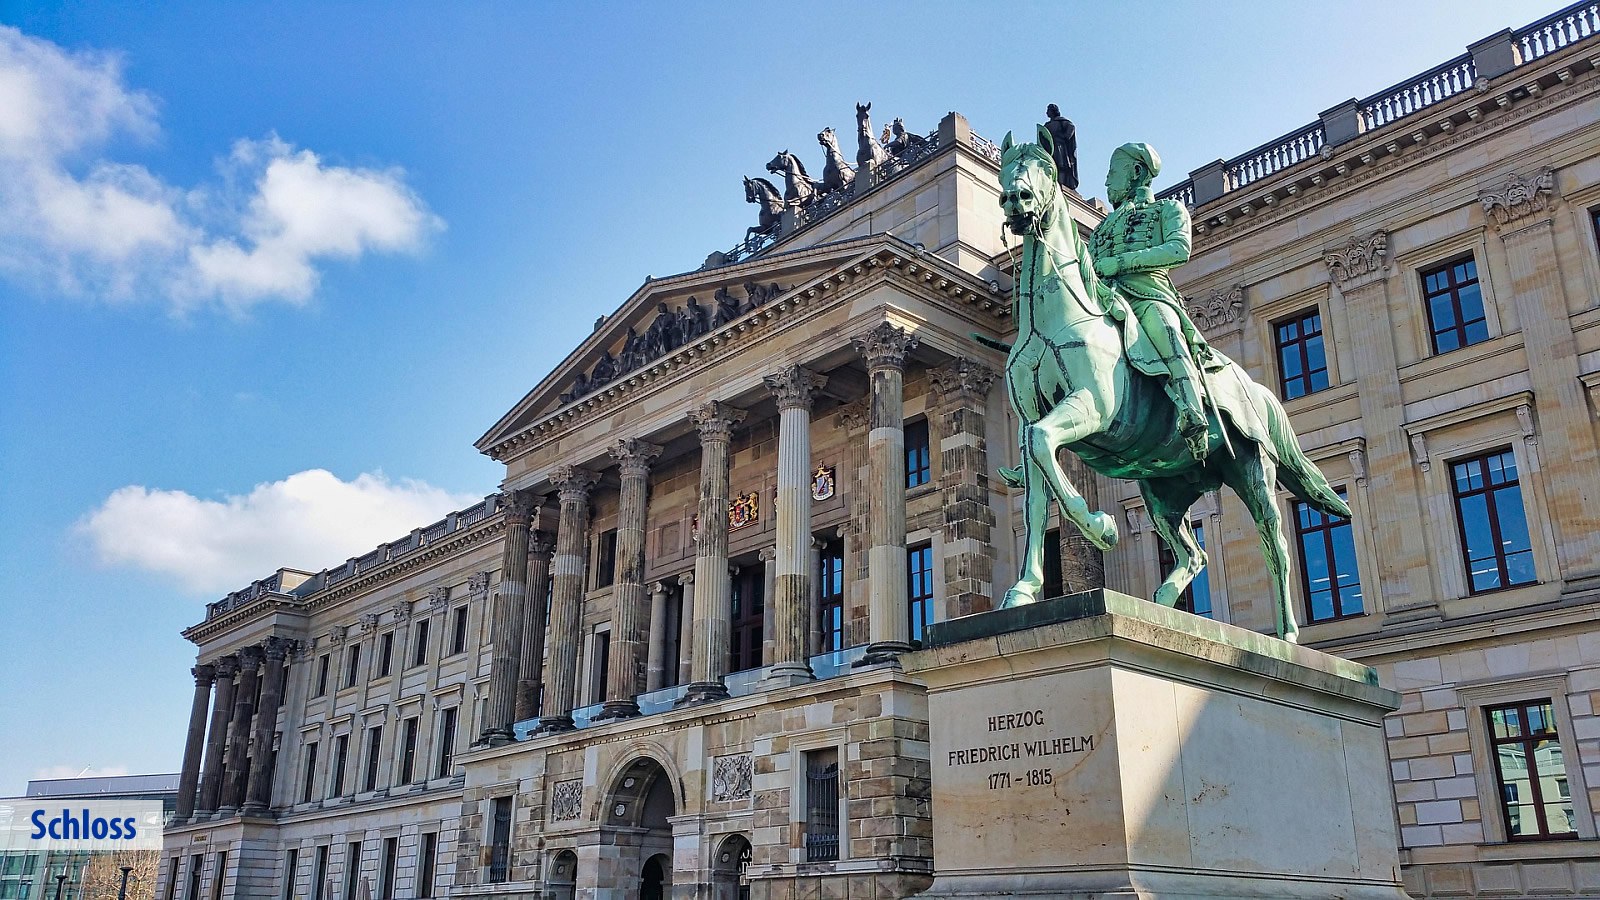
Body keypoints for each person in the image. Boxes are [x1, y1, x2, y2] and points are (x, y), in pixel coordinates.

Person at [1088, 142, 1212, 459]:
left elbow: (1177, 250)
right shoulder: (1100, 229)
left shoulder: (1167, 210)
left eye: (1112, 173)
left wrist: (1120, 264)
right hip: (1103, 299)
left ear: (1137, 172)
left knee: (1164, 331)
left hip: (1147, 294)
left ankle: (1192, 410)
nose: (1106, 181)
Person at [1043, 104, 1079, 191]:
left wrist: (1065, 136)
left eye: (1048, 110)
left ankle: (1061, 183)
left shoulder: (1062, 121)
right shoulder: (1047, 125)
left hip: (1059, 147)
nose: (1047, 112)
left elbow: (1071, 127)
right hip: (1049, 148)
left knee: (1061, 165)